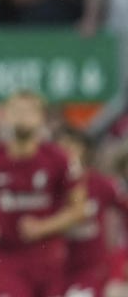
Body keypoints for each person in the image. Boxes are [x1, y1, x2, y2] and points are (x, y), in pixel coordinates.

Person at [0, 91, 86, 297]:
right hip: (6, 261)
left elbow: (79, 208)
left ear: (40, 117)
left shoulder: (58, 158)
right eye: (17, 110)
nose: (22, 116)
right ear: (6, 116)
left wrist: (44, 227)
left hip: (49, 259)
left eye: (29, 111)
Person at [56, 125, 128, 297]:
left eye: (72, 147)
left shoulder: (101, 183)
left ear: (85, 152)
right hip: (51, 267)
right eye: (61, 147)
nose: (67, 152)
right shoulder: (47, 184)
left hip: (88, 268)